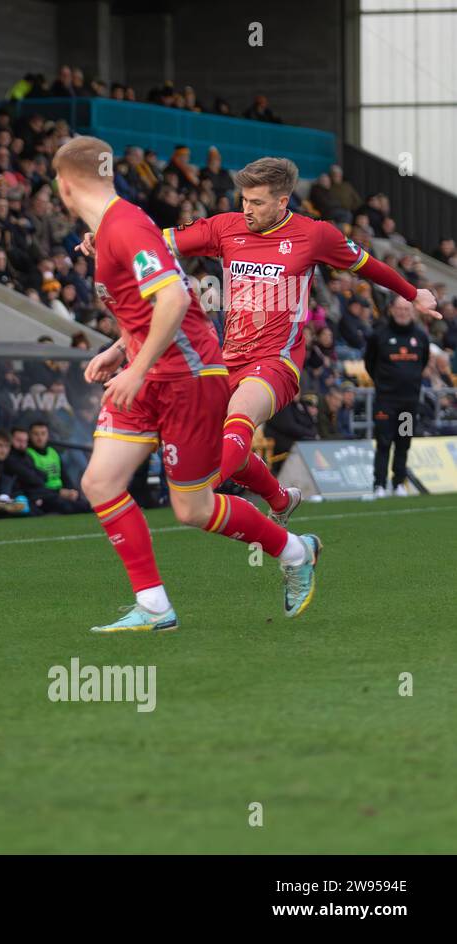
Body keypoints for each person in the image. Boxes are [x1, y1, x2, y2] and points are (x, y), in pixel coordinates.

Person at [57, 136, 320, 633]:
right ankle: (155, 606)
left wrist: (134, 368)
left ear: (67, 186)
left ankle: (293, 549)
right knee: (100, 482)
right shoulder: (117, 229)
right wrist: (119, 351)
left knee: (192, 508)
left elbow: (176, 300)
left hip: (188, 377)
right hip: (149, 372)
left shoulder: (126, 228)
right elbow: (150, 306)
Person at [143, 156, 436, 525]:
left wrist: (412, 293)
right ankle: (280, 498)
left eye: (257, 202)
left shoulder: (315, 235)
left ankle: (199, 490)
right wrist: (105, 239)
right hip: (226, 359)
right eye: (244, 200)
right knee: (220, 439)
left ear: (283, 201)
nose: (247, 210)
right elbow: (158, 241)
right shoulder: (225, 227)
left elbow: (366, 264)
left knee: (239, 419)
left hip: (277, 361)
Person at [365, 294, 429, 497]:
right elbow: (370, 363)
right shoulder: (380, 335)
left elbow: (423, 362)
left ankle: (399, 483)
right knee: (384, 441)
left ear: (413, 312)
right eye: (399, 309)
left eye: (407, 309)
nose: (403, 313)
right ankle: (379, 485)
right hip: (386, 401)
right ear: (391, 310)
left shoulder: (420, 336)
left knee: (403, 442)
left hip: (409, 402)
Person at [22, 420, 90, 514]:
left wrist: (72, 490)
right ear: (30, 435)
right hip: (46, 496)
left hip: (61, 493)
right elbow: (35, 483)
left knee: (86, 505)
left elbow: (64, 476)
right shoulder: (28, 455)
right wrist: (59, 492)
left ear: (48, 435)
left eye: (43, 433)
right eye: (36, 434)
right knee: (68, 508)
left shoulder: (53, 452)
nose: (40, 437)